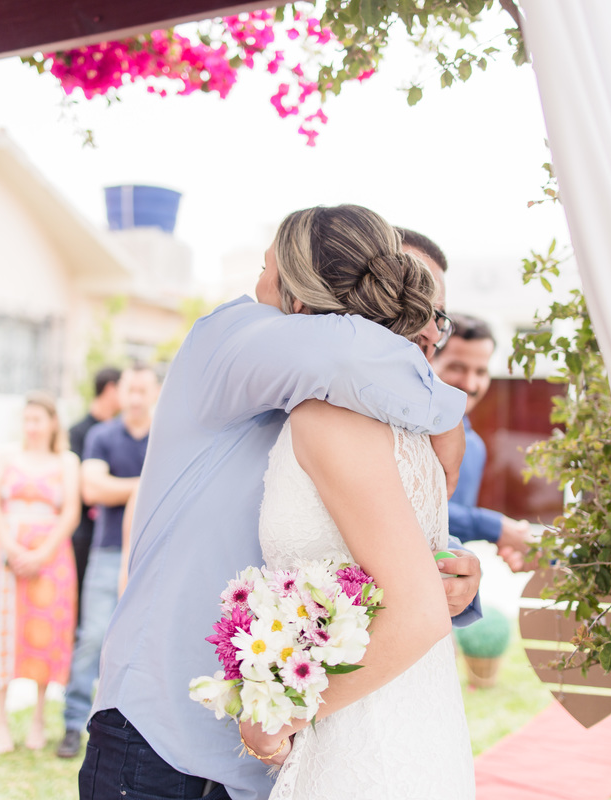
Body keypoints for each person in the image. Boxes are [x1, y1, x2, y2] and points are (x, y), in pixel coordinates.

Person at [79, 205, 478, 800]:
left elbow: (382, 543)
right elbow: (341, 352)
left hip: (289, 751)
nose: (421, 326)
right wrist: (449, 404)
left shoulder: (376, 409)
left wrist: (455, 575)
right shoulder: (232, 340)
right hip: (167, 730)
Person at [248, 205, 474, 798]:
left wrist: (277, 716)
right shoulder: (417, 420)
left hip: (366, 743)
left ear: (299, 302)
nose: (255, 289)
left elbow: (420, 609)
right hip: (411, 718)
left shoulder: (330, 418)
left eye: (268, 271)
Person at [56, 365, 158, 759]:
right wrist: (149, 485)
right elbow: (92, 487)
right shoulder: (102, 435)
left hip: (149, 553)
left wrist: (120, 488)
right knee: (94, 635)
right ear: (120, 392)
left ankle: (133, 722)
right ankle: (72, 723)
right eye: (129, 389)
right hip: (109, 548)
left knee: (144, 640)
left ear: (155, 391)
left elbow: (107, 485)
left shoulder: (166, 436)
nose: (135, 396)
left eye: (142, 389)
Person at [0, 392, 81, 754]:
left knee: (43, 631)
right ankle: (1, 720)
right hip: (9, 550)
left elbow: (71, 510)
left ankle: (38, 717)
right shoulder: (7, 455)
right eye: (28, 419)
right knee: (5, 631)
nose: (32, 427)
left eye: (39, 419)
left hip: (50, 556)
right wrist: (10, 544)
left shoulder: (66, 460)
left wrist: (41, 553)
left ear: (52, 422)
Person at [432, 312, 533, 570]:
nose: (470, 384)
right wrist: (496, 528)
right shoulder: (403, 431)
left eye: (481, 371)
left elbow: (448, 533)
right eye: (457, 367)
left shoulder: (474, 447)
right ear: (429, 360)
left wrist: (510, 541)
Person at [68, 367, 121, 597]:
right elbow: (85, 488)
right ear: (110, 389)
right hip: (84, 533)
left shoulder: (120, 433)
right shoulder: (78, 432)